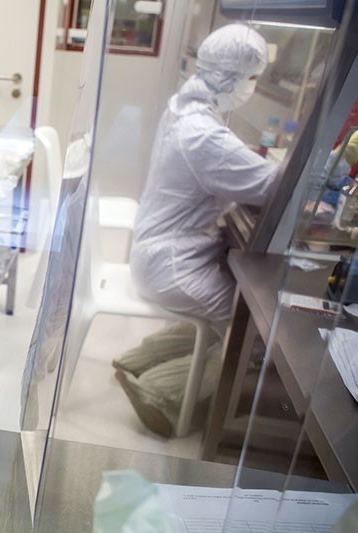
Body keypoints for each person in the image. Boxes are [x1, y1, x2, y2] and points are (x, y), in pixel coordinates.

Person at [112, 24, 280, 438]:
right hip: (173, 266)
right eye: (252, 77)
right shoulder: (203, 133)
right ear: (231, 77)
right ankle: (160, 394)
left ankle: (140, 359)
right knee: (251, 327)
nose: (252, 86)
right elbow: (273, 187)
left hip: (158, 254)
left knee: (223, 309)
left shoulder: (185, 110)